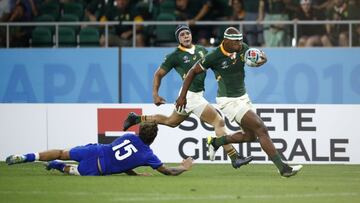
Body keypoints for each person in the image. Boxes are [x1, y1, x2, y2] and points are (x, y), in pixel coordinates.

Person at [175, 27, 303, 177]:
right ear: (226, 41)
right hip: (228, 100)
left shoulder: (243, 48)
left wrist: (262, 59)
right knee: (261, 128)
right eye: (236, 41)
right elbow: (192, 72)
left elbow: (260, 58)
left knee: (250, 136)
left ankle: (215, 142)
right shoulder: (214, 56)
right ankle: (283, 168)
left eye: (241, 40)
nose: (240, 43)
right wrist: (182, 96)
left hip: (243, 97)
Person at [123, 24, 253, 169]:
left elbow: (214, 63)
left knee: (171, 121)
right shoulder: (174, 56)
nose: (185, 36)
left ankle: (136, 118)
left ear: (191, 35)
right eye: (182, 35)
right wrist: (155, 94)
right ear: (178, 39)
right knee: (219, 122)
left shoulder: (201, 50)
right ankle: (234, 157)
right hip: (190, 96)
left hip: (193, 95)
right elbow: (158, 74)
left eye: (187, 33)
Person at [6, 123, 193, 176]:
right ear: (154, 138)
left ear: (139, 131)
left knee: (62, 151)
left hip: (94, 151)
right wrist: (183, 168)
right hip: (96, 169)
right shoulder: (148, 155)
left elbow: (123, 157)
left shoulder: (129, 136)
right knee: (68, 169)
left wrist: (133, 174)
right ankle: (56, 165)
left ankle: (26, 156)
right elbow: (167, 171)